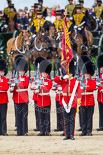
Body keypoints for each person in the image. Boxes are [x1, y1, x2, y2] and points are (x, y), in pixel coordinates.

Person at [54, 59, 79, 140]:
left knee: (72, 120)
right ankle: (66, 134)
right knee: (66, 120)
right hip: (65, 102)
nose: (69, 74)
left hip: (73, 102)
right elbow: (55, 80)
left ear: (72, 74)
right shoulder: (64, 81)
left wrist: (78, 102)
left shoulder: (76, 82)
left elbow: (79, 93)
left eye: (70, 73)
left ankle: (71, 134)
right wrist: (62, 77)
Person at [9, 57, 29, 136]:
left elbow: (25, 85)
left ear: (24, 71)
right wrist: (12, 88)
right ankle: (19, 131)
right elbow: (12, 88)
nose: (20, 71)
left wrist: (17, 84)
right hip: (16, 98)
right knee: (18, 115)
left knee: (24, 115)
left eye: (22, 70)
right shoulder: (15, 78)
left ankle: (25, 131)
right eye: (20, 70)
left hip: (24, 99)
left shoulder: (26, 78)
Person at [34, 59, 52, 136]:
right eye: (42, 72)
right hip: (39, 100)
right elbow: (34, 87)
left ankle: (47, 131)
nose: (43, 73)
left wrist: (40, 86)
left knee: (47, 117)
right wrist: (35, 89)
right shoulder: (38, 80)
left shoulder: (49, 81)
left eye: (45, 72)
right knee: (40, 116)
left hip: (46, 100)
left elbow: (47, 88)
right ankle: (42, 131)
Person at [79, 61, 96, 136]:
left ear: (90, 74)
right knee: (83, 117)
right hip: (83, 101)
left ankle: (89, 131)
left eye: (87, 74)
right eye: (85, 74)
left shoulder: (92, 81)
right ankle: (83, 130)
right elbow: (78, 90)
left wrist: (85, 87)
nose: (86, 75)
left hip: (90, 101)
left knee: (89, 117)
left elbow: (93, 87)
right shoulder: (81, 81)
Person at [77, 55, 91, 131]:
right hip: (80, 97)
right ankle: (82, 126)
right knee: (80, 112)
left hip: (87, 98)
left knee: (87, 114)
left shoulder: (88, 76)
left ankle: (86, 128)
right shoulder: (80, 76)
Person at [30, 56, 45, 132]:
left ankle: (43, 127)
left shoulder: (44, 76)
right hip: (36, 96)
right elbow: (31, 85)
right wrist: (33, 87)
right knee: (37, 113)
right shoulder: (34, 76)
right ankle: (38, 126)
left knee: (43, 113)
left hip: (42, 97)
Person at [52, 58, 64, 132]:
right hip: (57, 97)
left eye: (61, 68)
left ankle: (63, 126)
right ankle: (59, 126)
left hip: (63, 97)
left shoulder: (64, 77)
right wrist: (55, 89)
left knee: (63, 113)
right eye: (59, 68)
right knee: (58, 112)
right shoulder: (57, 76)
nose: (60, 70)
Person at [0, 59, 9, 136]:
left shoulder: (6, 79)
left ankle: (4, 131)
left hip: (3, 100)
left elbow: (5, 88)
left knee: (3, 116)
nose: (1, 72)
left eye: (2, 71)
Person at [96, 54, 103, 131]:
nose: (101, 69)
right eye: (100, 67)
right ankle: (101, 125)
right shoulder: (99, 76)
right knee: (101, 112)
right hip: (100, 97)